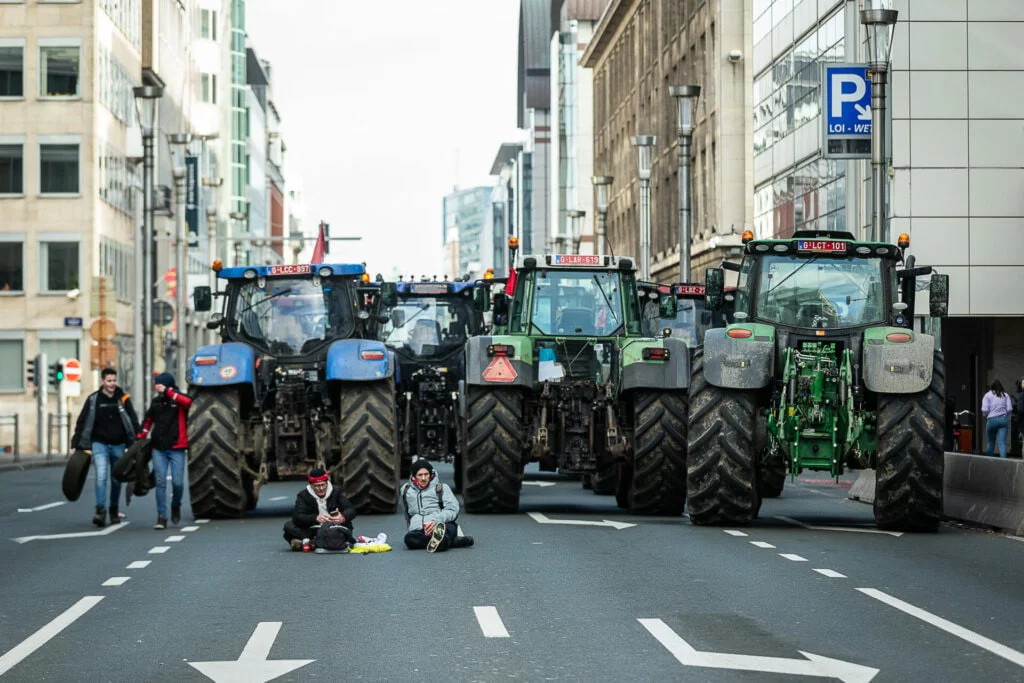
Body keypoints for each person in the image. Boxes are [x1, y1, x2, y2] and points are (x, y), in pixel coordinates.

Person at [71, 368, 142, 527]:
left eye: (114, 380)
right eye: (109, 381)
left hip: (119, 444)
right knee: (101, 477)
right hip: (99, 444)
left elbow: (133, 420)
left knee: (116, 479)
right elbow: (82, 422)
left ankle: (113, 510)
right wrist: (75, 443)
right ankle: (100, 511)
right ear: (103, 382)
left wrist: (138, 440)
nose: (112, 384)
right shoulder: (93, 399)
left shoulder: (123, 399)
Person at [139, 372, 192, 529]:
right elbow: (148, 421)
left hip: (177, 447)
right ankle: (161, 515)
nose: (157, 387)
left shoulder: (178, 399)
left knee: (178, 483)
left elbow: (188, 402)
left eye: (159, 384)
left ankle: (176, 505)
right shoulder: (156, 402)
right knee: (160, 482)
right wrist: (140, 435)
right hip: (159, 449)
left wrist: (168, 392)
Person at [402, 460, 473, 552]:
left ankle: (442, 539)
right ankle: (448, 542)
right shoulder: (406, 490)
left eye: (426, 474)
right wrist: (415, 526)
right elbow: (407, 513)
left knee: (447, 531)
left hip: (443, 524)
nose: (423, 478)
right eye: (420, 475)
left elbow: (452, 510)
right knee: (409, 539)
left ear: (431, 475)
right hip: (420, 528)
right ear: (414, 477)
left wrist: (435, 521)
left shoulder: (442, 488)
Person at [283, 468, 357, 551]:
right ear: (311, 485)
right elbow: (298, 517)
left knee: (340, 530)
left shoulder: (336, 492)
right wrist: (316, 518)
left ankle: (310, 542)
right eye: (317, 486)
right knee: (288, 526)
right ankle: (315, 542)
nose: (321, 488)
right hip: (313, 529)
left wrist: (342, 517)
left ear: (327, 483)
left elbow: (350, 510)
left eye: (323, 485)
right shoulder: (303, 496)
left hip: (333, 527)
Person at [982, 379, 1013, 458]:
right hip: (1003, 420)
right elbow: (1009, 408)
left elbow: (985, 410)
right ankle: (1004, 463)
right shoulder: (1005, 395)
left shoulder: (987, 395)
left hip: (991, 420)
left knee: (990, 443)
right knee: (1002, 443)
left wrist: (986, 415)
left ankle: (989, 462)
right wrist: (1004, 413)